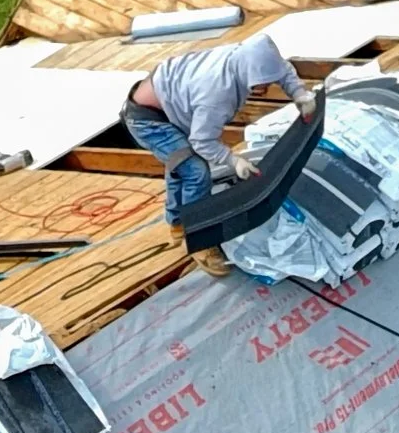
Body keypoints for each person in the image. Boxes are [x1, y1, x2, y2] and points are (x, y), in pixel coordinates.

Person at [121, 34, 317, 277]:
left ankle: (177, 223)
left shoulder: (250, 56)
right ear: (247, 74)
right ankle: (199, 241)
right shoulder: (217, 94)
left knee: (180, 164)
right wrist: (233, 161)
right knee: (195, 171)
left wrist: (299, 94)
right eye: (259, 84)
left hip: (168, 99)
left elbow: (282, 69)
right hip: (149, 120)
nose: (264, 89)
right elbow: (202, 141)